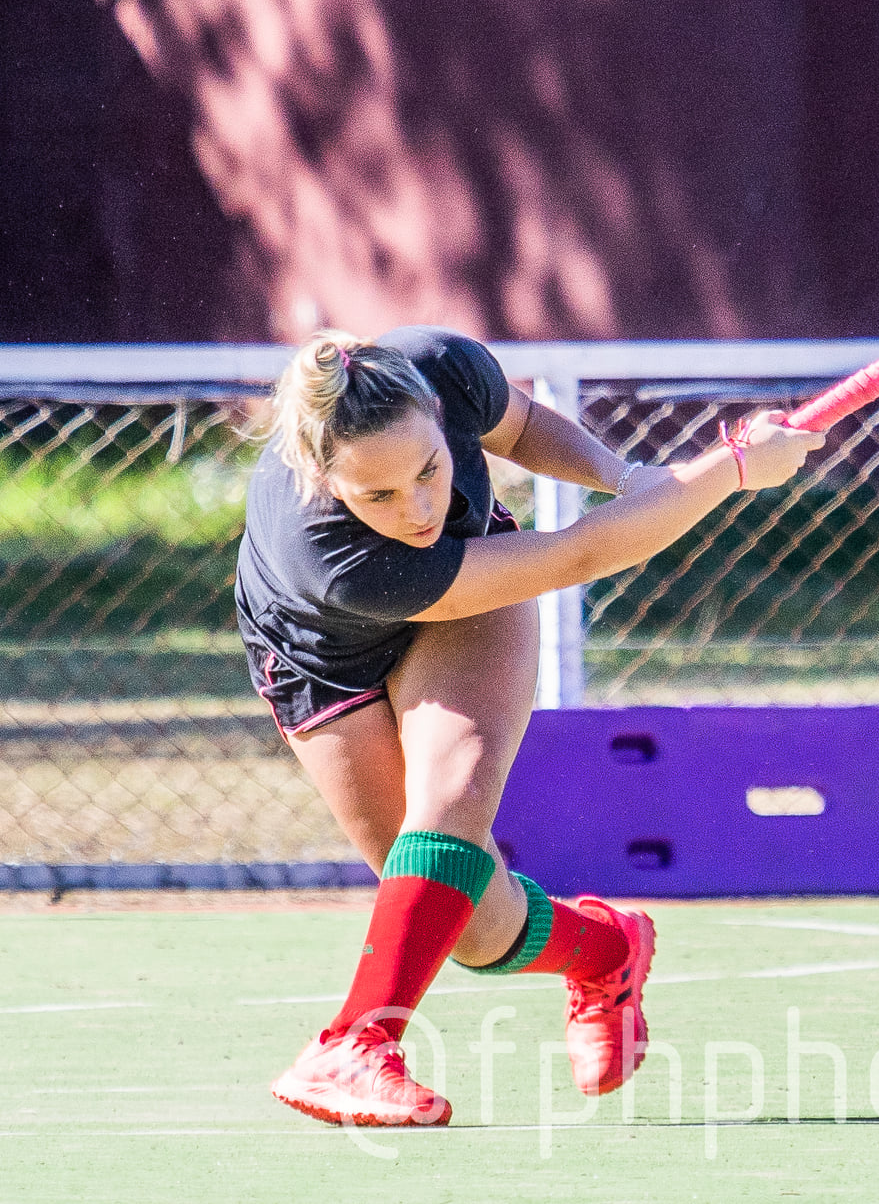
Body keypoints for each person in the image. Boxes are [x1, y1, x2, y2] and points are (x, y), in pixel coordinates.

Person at [235, 325, 824, 1126]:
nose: (418, 509)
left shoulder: (441, 366)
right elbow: (577, 556)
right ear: (324, 478)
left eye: (430, 470)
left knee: (448, 811)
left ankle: (357, 1043)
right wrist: (731, 470)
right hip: (317, 657)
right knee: (465, 923)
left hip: (466, 589)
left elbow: (518, 427)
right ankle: (607, 949)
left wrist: (626, 475)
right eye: (378, 495)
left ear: (437, 415)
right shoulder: (332, 555)